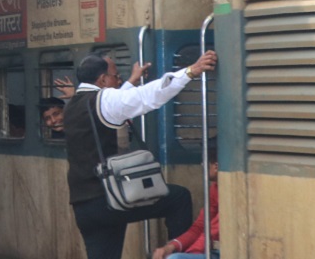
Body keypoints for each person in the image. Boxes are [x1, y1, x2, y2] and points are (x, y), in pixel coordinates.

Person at [65, 51, 217, 259]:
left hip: (84, 206)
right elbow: (145, 97)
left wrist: (131, 82)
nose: (118, 81)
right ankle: (179, 256)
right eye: (114, 76)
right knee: (178, 198)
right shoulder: (104, 99)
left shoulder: (73, 105)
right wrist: (190, 71)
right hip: (109, 199)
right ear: (102, 79)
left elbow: (117, 102)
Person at [152, 149, 220, 259]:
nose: (201, 168)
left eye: (204, 164)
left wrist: (191, 252)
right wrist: (171, 247)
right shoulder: (214, 189)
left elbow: (213, 230)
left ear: (216, 166)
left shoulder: (230, 193)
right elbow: (200, 227)